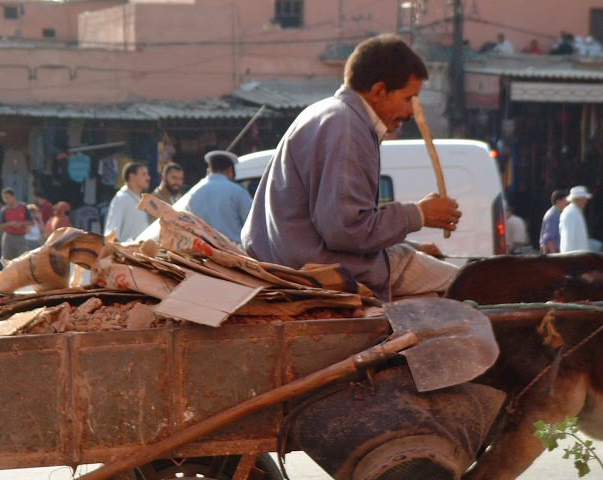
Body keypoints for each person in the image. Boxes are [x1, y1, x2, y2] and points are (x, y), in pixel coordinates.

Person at [241, 34, 461, 300]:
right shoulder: (346, 128)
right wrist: (419, 215)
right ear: (379, 91)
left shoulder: (330, 114)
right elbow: (346, 230)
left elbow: (340, 219)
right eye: (408, 99)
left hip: (292, 255)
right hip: (316, 267)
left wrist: (409, 243)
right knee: (463, 284)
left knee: (427, 277)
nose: (412, 112)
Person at [184, 150, 252, 244]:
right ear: (230, 170)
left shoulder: (193, 193)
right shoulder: (238, 191)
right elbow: (251, 227)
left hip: (202, 254)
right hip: (234, 254)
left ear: (209, 170)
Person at [104, 162, 151, 242]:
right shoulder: (122, 198)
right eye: (144, 174)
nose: (148, 178)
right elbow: (112, 233)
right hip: (126, 252)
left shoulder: (142, 200)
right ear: (132, 176)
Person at [0, 187, 32, 261]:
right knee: (6, 260)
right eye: (4, 198)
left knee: (23, 260)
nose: (6, 200)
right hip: (8, 237)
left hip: (21, 237)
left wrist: (21, 224)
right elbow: (0, 225)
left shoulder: (23, 207)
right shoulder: (4, 210)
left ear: (13, 196)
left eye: (7, 197)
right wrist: (10, 224)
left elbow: (31, 222)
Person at [559, 185, 593, 252]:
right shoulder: (570, 213)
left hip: (579, 255)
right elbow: (569, 239)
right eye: (583, 198)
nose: (585, 201)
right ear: (577, 199)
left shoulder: (576, 212)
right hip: (573, 256)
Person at [539, 189, 569, 253]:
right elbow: (549, 238)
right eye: (565, 200)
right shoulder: (553, 215)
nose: (567, 202)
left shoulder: (557, 213)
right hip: (553, 251)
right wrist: (554, 255)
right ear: (558, 201)